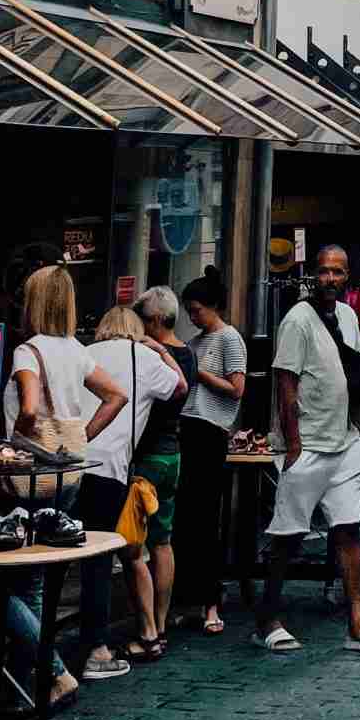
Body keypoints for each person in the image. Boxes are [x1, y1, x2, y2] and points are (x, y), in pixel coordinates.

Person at [254, 246, 360, 656]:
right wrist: (292, 444)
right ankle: (268, 620)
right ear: (313, 275)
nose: (330, 279)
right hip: (308, 443)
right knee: (288, 535)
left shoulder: (348, 316)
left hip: (346, 440)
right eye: (324, 272)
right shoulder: (297, 320)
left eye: (338, 272)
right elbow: (285, 382)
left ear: (347, 276)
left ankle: (357, 623)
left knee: (349, 529)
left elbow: (353, 371)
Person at [8, 264, 127, 687]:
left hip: (30, 478)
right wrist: (79, 436)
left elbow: (27, 406)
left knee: (5, 586)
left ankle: (53, 671)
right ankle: (32, 674)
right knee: (35, 579)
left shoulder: (28, 351)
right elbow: (117, 395)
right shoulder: (76, 349)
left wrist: (19, 440)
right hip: (68, 477)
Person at [83, 301, 186, 666]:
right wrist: (160, 350)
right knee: (98, 557)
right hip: (108, 466)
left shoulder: (85, 353)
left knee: (63, 555)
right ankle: (95, 647)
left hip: (69, 462)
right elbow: (179, 388)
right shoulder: (141, 356)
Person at [121, 285, 196, 659]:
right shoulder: (189, 354)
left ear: (152, 321)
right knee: (163, 542)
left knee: (134, 549)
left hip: (147, 457)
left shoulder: (153, 354)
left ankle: (146, 629)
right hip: (173, 454)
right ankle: (161, 624)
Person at [176, 274, 248, 636]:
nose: (193, 318)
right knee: (185, 521)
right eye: (189, 312)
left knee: (205, 520)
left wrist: (197, 371)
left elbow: (236, 389)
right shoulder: (194, 341)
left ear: (214, 307)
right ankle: (188, 599)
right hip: (187, 427)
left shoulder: (229, 338)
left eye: (197, 311)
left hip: (210, 429)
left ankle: (211, 602)